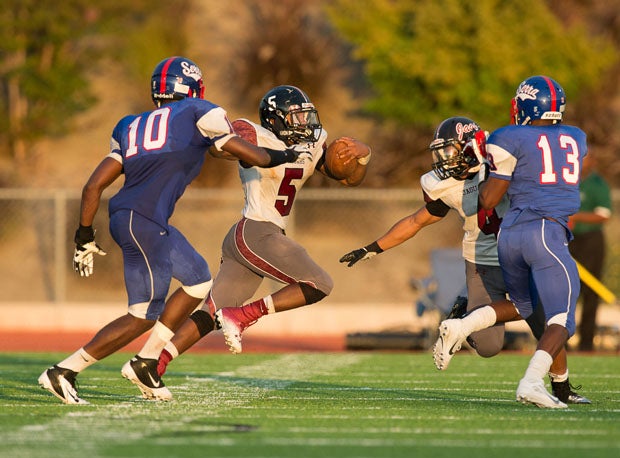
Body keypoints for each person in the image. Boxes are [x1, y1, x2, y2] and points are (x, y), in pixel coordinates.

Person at [38, 57, 304, 404]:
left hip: (138, 217)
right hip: (142, 220)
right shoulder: (198, 111)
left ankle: (147, 361)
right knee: (142, 315)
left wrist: (84, 235)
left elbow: (93, 186)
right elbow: (239, 150)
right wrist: (280, 155)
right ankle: (63, 371)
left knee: (198, 281)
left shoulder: (129, 126)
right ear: (194, 88)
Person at [339, 116, 588, 405]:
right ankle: (463, 315)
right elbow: (418, 220)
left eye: (449, 151)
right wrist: (373, 248)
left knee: (545, 318)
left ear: (471, 146)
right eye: (441, 152)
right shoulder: (440, 184)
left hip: (521, 253)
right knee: (489, 346)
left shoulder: (503, 157)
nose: (443, 159)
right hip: (481, 263)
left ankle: (561, 387)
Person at [155, 84, 370, 374]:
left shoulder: (312, 142)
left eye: (306, 117)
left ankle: (154, 363)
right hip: (257, 232)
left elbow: (348, 179)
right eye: (296, 117)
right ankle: (242, 317)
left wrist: (363, 154)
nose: (305, 124)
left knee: (211, 312)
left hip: (250, 237)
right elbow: (222, 148)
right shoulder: (254, 133)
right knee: (319, 283)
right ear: (275, 119)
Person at [433, 75, 587, 408]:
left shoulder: (507, 137)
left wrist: (490, 166)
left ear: (523, 106)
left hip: (510, 235)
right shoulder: (576, 137)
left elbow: (487, 201)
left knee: (523, 305)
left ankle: (462, 327)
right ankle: (532, 382)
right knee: (562, 318)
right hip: (546, 232)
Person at [568, 151, 612, 351]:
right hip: (566, 240)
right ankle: (560, 339)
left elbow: (603, 214)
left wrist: (576, 217)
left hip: (590, 241)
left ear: (592, 160)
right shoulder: (565, 178)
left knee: (590, 292)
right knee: (564, 290)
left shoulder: (597, 183)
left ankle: (586, 342)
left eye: (584, 157)